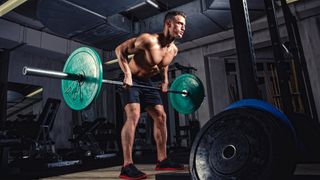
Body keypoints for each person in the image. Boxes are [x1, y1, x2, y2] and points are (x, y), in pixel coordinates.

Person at [115, 10, 186, 179]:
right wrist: (127, 74)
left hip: (147, 84)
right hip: (131, 81)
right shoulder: (148, 40)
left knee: (161, 116)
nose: (183, 27)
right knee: (134, 115)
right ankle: (127, 165)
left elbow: (164, 64)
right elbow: (119, 50)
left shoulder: (174, 50)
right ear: (168, 24)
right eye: (180, 23)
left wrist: (165, 80)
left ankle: (162, 160)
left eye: (184, 24)